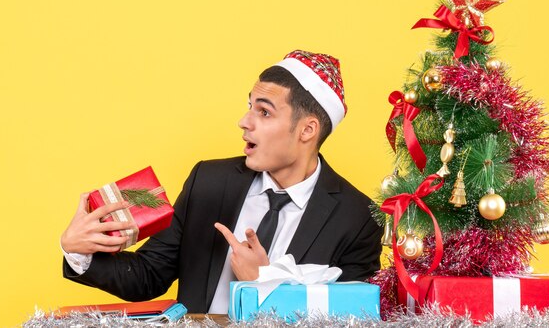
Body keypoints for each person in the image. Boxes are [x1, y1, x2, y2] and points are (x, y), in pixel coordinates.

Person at [61, 50, 383, 314]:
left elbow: (351, 317)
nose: (244, 123)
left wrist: (264, 280)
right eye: (249, 107)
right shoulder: (209, 181)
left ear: (307, 130)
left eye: (265, 112)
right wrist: (81, 253)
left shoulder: (358, 218)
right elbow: (148, 276)